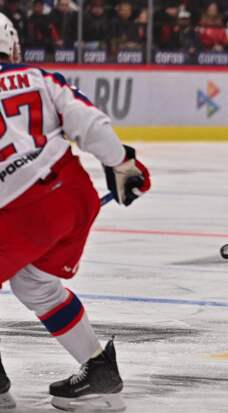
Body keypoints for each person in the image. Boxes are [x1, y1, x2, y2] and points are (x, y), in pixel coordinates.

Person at [0, 12, 150, 412]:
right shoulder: (38, 77)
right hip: (73, 196)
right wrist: (122, 164)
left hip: (15, 212)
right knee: (35, 285)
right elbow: (89, 122)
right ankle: (100, 374)